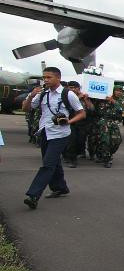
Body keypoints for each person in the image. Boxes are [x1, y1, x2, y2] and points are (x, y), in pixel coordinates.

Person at [21, 67, 86, 210]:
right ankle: (60, 188)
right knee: (53, 162)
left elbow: (81, 113)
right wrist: (31, 96)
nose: (45, 80)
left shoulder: (68, 94)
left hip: (60, 134)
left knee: (48, 164)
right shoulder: (42, 93)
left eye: (49, 77)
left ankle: (33, 195)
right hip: (45, 131)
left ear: (58, 78)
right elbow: (26, 108)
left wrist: (68, 121)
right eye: (44, 77)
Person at [89, 86, 124, 168]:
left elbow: (123, 110)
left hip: (114, 122)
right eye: (117, 90)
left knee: (117, 141)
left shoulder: (120, 101)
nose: (119, 92)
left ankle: (106, 154)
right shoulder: (102, 99)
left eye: (120, 91)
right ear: (112, 91)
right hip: (103, 122)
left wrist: (113, 101)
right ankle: (107, 159)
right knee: (105, 141)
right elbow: (94, 109)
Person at [62, 81, 90, 168]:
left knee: (81, 141)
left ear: (79, 88)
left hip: (82, 123)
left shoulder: (85, 97)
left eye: (75, 87)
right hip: (71, 122)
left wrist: (85, 99)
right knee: (71, 142)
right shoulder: (67, 97)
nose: (73, 89)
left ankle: (78, 153)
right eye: (70, 87)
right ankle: (72, 159)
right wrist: (77, 97)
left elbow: (91, 109)